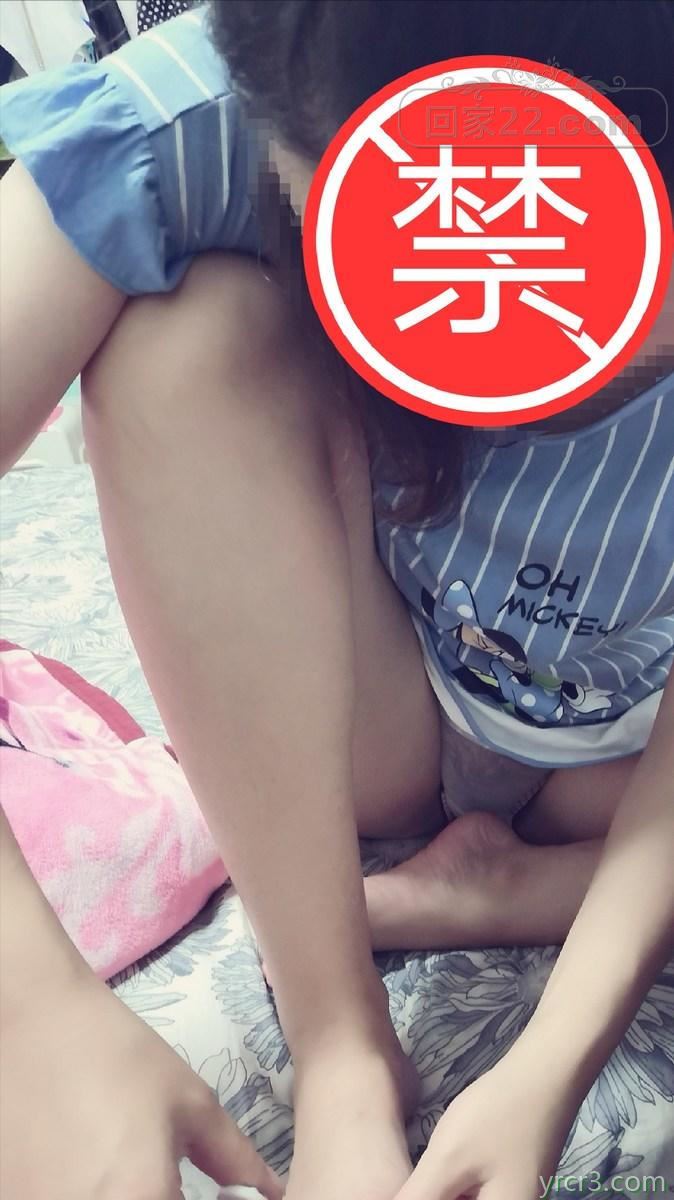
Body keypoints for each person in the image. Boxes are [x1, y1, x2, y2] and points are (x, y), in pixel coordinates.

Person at [0, 2, 672, 1198]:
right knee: (184, 341)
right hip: (393, 697)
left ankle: (509, 890)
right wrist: (30, 1012)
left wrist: (551, 1060)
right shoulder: (207, 111)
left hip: (627, 754)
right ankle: (342, 1037)